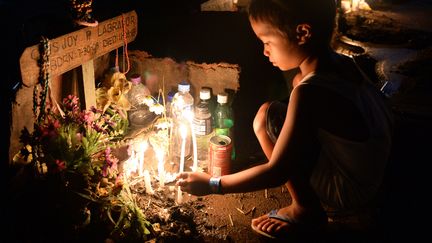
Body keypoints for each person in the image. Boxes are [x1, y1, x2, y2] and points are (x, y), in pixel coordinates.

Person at [177, 0, 393, 239]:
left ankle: (305, 210)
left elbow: (277, 172)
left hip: (351, 190)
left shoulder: (309, 91)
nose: (264, 51)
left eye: (267, 42)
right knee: (281, 106)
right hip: (373, 171)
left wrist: (212, 185)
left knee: (265, 118)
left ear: (302, 33)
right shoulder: (344, 63)